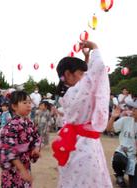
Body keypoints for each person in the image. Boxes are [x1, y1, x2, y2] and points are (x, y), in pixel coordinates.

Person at [52, 41, 112, 188]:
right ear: (68, 74)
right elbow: (97, 71)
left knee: (72, 181)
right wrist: (95, 48)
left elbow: (84, 83)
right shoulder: (77, 90)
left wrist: (85, 60)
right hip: (85, 147)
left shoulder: (67, 94)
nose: (84, 76)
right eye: (81, 73)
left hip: (73, 142)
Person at [0, 91, 41, 188]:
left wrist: (35, 150)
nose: (28, 105)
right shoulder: (10, 125)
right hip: (13, 167)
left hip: (25, 164)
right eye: (25, 103)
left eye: (29, 102)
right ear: (14, 106)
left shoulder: (30, 123)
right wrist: (21, 169)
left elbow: (37, 138)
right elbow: (8, 149)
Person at [106, 101, 137, 188]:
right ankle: (119, 175)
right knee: (118, 158)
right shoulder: (125, 120)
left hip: (135, 159)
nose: (133, 110)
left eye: (136, 109)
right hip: (124, 153)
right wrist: (112, 117)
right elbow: (109, 129)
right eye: (132, 108)